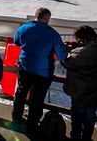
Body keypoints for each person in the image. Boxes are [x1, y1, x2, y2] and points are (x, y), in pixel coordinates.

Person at [12, 7, 68, 135]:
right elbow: (62, 56)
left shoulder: (23, 28)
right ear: (47, 18)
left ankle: (16, 118)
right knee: (37, 99)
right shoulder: (53, 34)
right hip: (43, 72)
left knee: (20, 94)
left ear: (36, 16)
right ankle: (31, 125)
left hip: (25, 67)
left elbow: (17, 42)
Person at [62, 26, 97, 141]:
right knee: (90, 115)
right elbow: (89, 49)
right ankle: (87, 137)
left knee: (77, 115)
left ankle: (76, 136)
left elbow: (68, 63)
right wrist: (75, 45)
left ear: (82, 39)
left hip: (81, 91)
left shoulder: (82, 54)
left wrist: (64, 53)